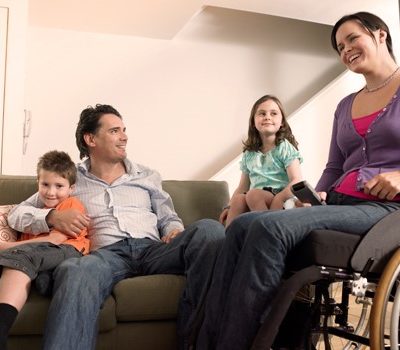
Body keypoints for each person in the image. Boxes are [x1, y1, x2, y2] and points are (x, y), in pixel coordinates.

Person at [195, 11, 400, 350]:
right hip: (338, 203)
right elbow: (335, 166)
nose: (345, 49)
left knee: (268, 226)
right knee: (241, 228)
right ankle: (205, 342)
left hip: (384, 211)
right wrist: (313, 195)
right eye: (339, 46)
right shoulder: (346, 105)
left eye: (352, 38)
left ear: (380, 34)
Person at [7, 104, 225, 350]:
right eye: (114, 131)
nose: (124, 137)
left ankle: (196, 344)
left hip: (153, 249)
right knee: (76, 269)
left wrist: (173, 230)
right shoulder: (69, 179)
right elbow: (17, 213)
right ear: (91, 139)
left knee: (210, 230)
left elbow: (168, 217)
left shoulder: (147, 175)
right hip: (106, 255)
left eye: (124, 130)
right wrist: (52, 217)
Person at [0, 150, 88, 350]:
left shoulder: (72, 205)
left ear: (71, 188)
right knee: (25, 263)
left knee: (20, 258)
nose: (50, 192)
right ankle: (44, 280)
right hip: (42, 256)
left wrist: (6, 247)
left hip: (68, 249)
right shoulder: (31, 210)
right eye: (45, 185)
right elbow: (18, 220)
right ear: (37, 183)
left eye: (59, 186)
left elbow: (54, 240)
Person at [219, 95, 302, 226]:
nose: (267, 117)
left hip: (281, 197)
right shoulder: (249, 153)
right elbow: (242, 187)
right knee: (239, 199)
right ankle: (229, 239)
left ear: (282, 123)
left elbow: (296, 180)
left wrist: (280, 198)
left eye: (273, 113)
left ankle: (267, 230)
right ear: (253, 122)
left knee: (253, 195)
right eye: (262, 113)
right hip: (256, 197)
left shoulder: (284, 147)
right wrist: (228, 207)